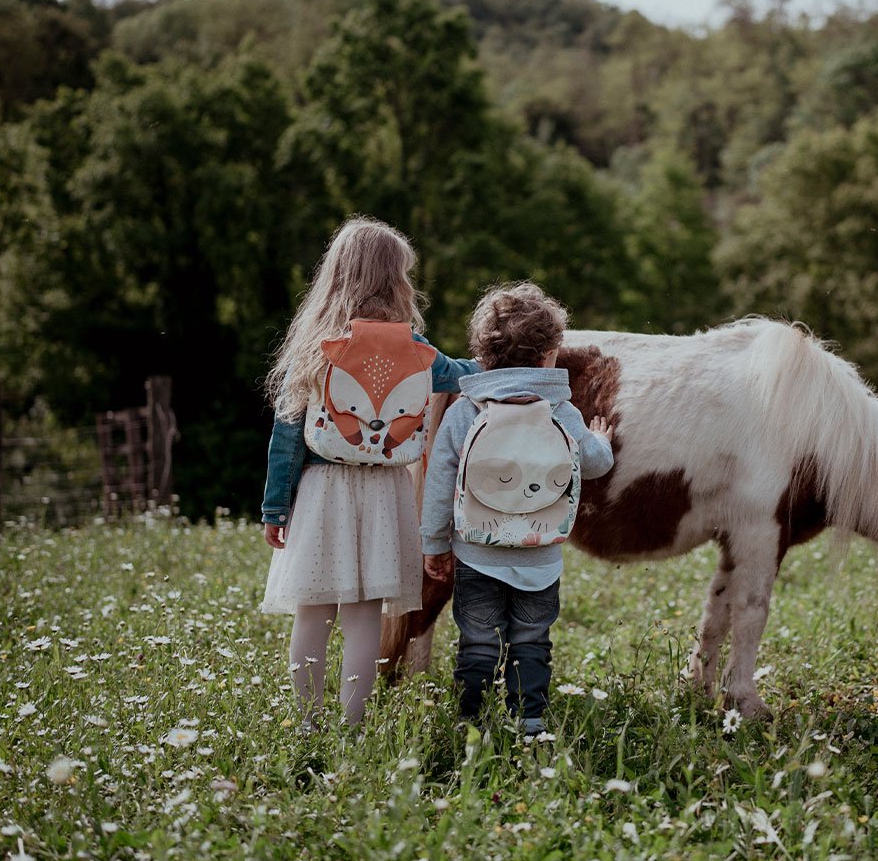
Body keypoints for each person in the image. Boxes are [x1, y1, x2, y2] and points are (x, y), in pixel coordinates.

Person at [260, 216, 478, 728]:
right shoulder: (414, 349)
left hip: (321, 491)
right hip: (384, 492)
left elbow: (287, 437)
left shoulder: (315, 347)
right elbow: (461, 376)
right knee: (364, 616)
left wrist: (275, 507)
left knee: (312, 613)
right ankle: (352, 726)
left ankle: (308, 724)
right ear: (396, 280)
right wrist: (507, 362)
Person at [420, 282, 613, 735]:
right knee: (531, 640)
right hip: (539, 556)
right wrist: (601, 439)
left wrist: (434, 542)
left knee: (477, 642)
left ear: (483, 354)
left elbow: (440, 481)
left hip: (477, 552)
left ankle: (470, 720)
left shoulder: (466, 410)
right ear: (548, 356)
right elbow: (595, 463)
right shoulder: (560, 410)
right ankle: (529, 719)